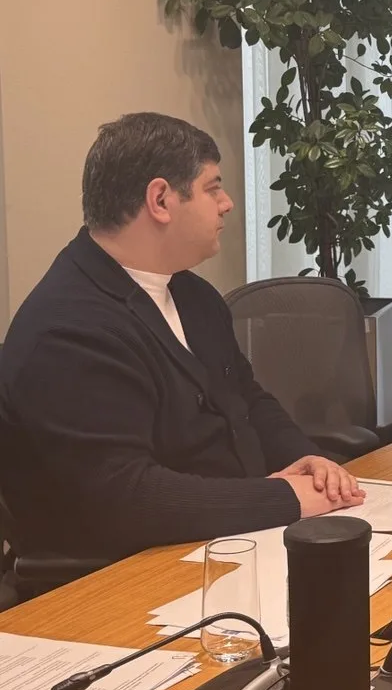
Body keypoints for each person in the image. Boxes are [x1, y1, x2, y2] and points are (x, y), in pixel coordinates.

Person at [0, 113, 364, 581]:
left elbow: (247, 399)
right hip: (127, 577)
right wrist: (285, 498)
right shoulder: (69, 331)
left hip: (229, 540)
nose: (227, 204)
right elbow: (128, 499)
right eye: (213, 188)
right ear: (160, 200)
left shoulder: (192, 294)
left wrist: (311, 463)